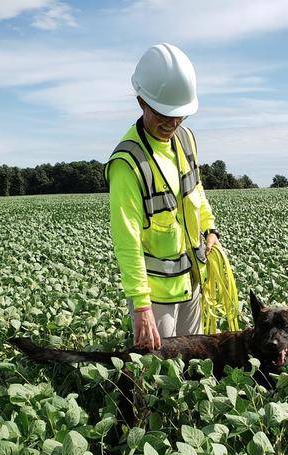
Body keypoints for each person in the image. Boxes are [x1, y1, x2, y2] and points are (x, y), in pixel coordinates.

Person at [105, 43, 220, 351]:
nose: (172, 123)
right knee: (155, 371)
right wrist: (141, 307)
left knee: (193, 366)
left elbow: (195, 190)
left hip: (192, 279)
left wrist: (210, 229)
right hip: (157, 298)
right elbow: (126, 239)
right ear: (142, 101)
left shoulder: (186, 139)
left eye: (180, 115)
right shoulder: (127, 163)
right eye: (164, 114)